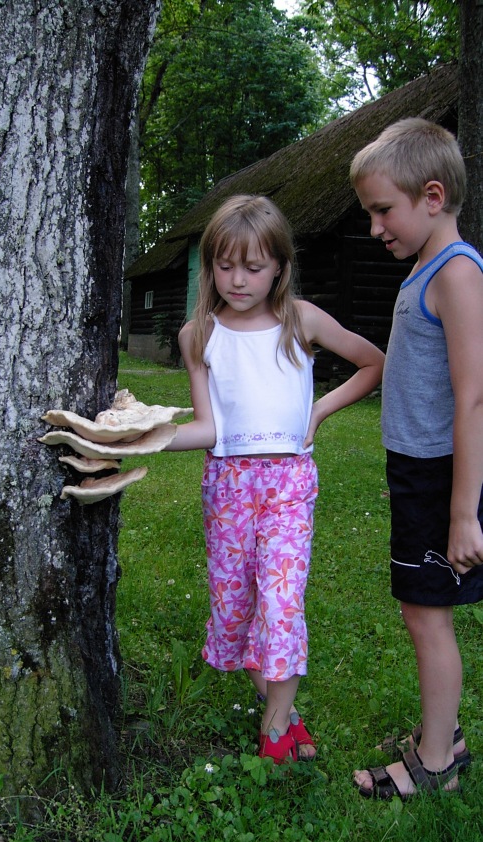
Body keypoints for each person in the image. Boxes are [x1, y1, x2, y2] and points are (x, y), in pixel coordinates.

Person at [164, 194, 384, 763]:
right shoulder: (199, 335)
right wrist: (147, 437)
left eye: (254, 267)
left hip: (288, 486)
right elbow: (208, 427)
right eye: (225, 266)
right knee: (236, 610)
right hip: (228, 489)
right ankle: (285, 712)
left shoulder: (299, 320)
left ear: (280, 267)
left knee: (281, 605)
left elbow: (373, 363)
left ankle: (275, 729)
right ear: (211, 266)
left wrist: (318, 411)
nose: (238, 280)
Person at [350, 117, 483, 799]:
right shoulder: (427, 268)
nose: (375, 228)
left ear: (432, 196)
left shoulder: (456, 273)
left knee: (427, 616)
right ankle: (444, 733)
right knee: (418, 609)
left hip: (438, 477)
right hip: (416, 472)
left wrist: (462, 512)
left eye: (382, 211)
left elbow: (474, 397)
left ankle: (436, 765)